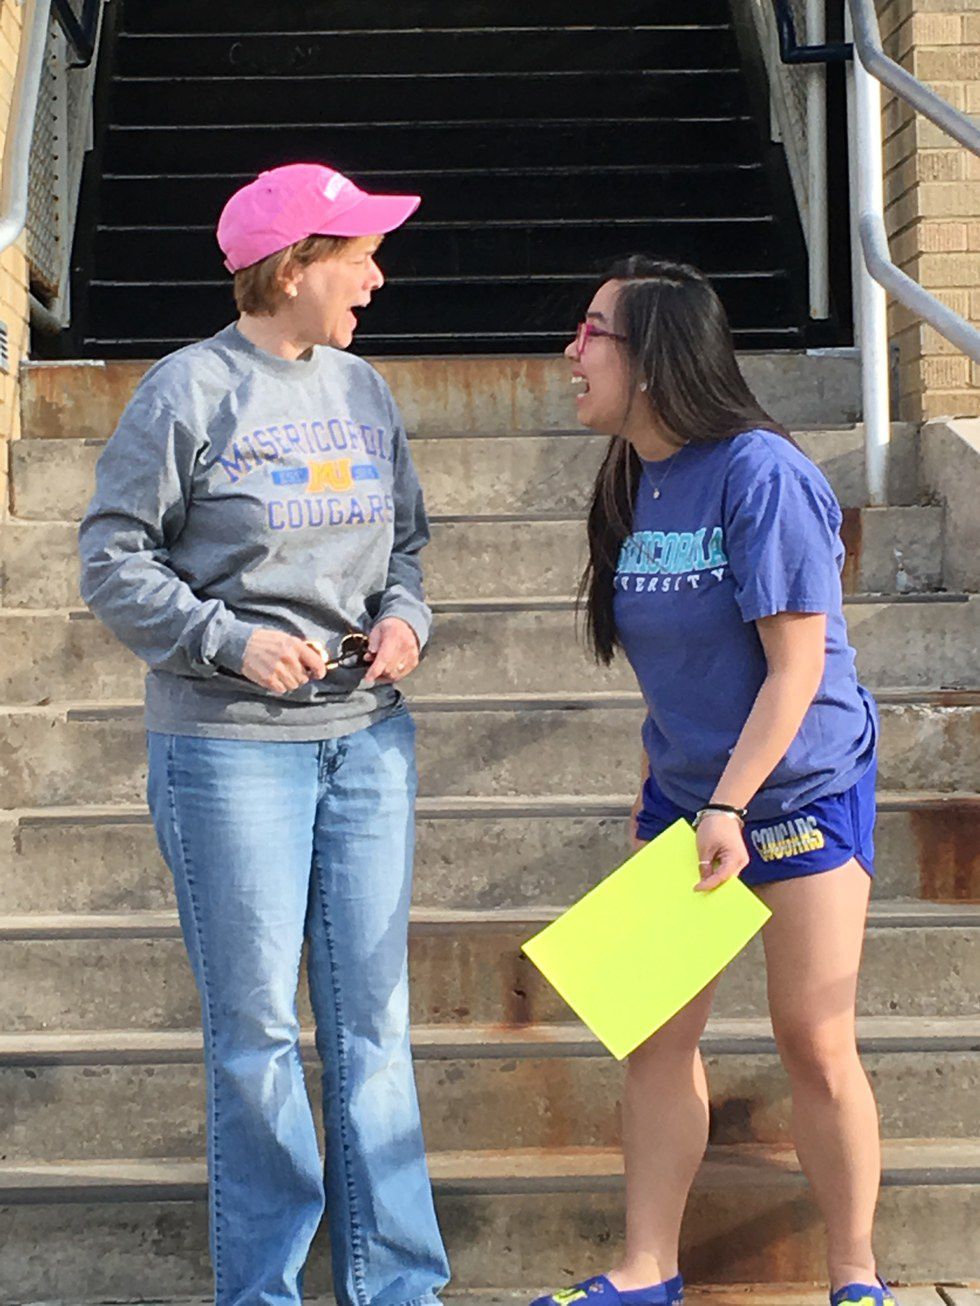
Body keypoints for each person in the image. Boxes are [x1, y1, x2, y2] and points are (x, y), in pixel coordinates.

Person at [79, 163, 450, 1306]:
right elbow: (111, 558)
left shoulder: (364, 392)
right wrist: (226, 640)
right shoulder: (187, 391)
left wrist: (406, 619)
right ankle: (264, 1291)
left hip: (366, 741)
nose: (376, 280)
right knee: (256, 1038)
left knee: (372, 1029)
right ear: (293, 268)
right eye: (359, 257)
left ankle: (397, 1286)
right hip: (230, 751)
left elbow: (407, 551)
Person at [532, 258, 896, 1306]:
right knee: (653, 1032)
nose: (572, 352)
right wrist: (662, 784)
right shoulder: (633, 476)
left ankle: (854, 1276)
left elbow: (795, 670)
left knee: (812, 1039)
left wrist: (729, 803)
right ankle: (646, 1271)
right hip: (690, 796)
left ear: (653, 357)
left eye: (591, 331)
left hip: (798, 789)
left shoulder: (760, 472)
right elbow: (675, 661)